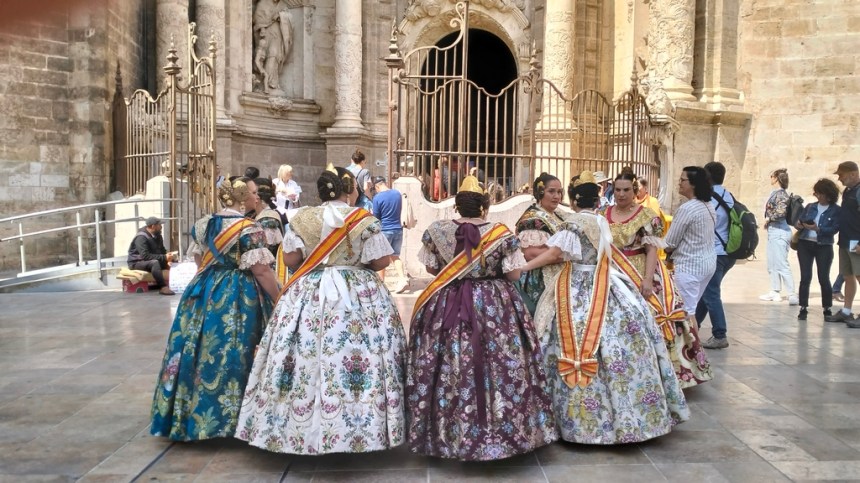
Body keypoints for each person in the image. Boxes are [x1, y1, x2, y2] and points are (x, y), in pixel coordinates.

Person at [235, 165, 406, 454]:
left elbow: (290, 259)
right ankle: (361, 429)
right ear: (347, 190)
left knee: (302, 357)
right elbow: (380, 262)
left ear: (318, 192)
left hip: (309, 293)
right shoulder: (362, 219)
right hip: (358, 295)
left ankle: (296, 429)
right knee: (363, 355)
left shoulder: (302, 218)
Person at [522, 171, 689, 444]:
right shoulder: (602, 221)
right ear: (597, 200)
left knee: (561, 337)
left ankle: (572, 420)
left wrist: (523, 266)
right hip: (606, 283)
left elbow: (555, 254)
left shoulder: (573, 222)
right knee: (617, 342)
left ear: (575, 200)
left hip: (575, 283)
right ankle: (628, 417)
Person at [406, 176, 557, 460]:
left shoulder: (436, 230)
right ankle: (503, 432)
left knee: (448, 363)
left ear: (457, 205)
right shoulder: (500, 233)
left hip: (448, 303)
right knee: (499, 363)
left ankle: (448, 433)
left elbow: (431, 268)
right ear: (485, 207)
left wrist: (459, 272)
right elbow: (513, 274)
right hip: (495, 306)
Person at [150, 177, 280, 441]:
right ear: (243, 198)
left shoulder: (203, 225)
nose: (256, 198)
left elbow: (200, 261)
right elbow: (261, 270)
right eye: (253, 194)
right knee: (238, 350)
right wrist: (279, 298)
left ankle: (190, 416)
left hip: (204, 289)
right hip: (240, 294)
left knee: (194, 348)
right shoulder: (249, 228)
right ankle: (237, 420)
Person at [601, 167, 711, 387]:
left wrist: (648, 279)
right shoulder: (603, 213)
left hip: (641, 271)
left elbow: (651, 250)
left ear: (634, 190)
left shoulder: (647, 216)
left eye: (626, 190)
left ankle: (666, 373)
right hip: (612, 273)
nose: (621, 194)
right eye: (618, 190)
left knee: (655, 319)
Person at [664, 166, 717, 339]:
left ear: (693, 184)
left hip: (689, 266)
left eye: (682, 180)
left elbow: (670, 242)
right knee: (689, 309)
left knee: (686, 312)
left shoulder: (688, 208)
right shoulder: (708, 205)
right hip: (706, 264)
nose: (679, 183)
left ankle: (694, 351)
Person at [696, 161, 737, 350]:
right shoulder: (728, 195)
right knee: (707, 291)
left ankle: (720, 334)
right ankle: (692, 327)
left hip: (715, 251)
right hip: (728, 252)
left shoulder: (709, 199)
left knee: (711, 293)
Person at [514, 173, 566, 316]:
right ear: (540, 192)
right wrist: (561, 256)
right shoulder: (532, 219)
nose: (556, 196)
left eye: (559, 192)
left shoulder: (558, 216)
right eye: (551, 191)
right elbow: (529, 253)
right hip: (538, 277)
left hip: (559, 275)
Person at [794, 178, 840, 321]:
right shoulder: (810, 207)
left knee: (823, 277)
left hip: (824, 246)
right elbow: (799, 222)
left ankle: (827, 307)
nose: (818, 196)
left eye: (821, 193)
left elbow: (834, 229)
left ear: (829, 194)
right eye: (816, 193)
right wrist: (800, 225)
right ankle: (803, 307)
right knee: (805, 276)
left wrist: (818, 229)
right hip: (805, 244)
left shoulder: (836, 210)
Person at [827, 161, 860, 325]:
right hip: (845, 240)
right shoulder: (848, 191)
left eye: (842, 175)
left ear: (853, 174)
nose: (839, 178)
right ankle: (846, 311)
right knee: (848, 276)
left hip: (856, 242)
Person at [759, 169, 799, 304]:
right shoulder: (774, 193)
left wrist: (768, 219)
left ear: (776, 178)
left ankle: (792, 293)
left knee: (781, 263)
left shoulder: (781, 195)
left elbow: (781, 212)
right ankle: (775, 291)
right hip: (773, 231)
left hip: (780, 231)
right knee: (772, 263)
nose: (770, 178)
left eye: (771, 176)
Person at [371, 175, 408, 292]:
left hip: (385, 230)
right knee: (395, 256)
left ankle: (381, 284)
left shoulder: (377, 198)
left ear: (377, 186)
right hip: (398, 229)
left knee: (382, 257)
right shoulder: (397, 193)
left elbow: (376, 217)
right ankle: (402, 279)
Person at [127, 216, 178, 296]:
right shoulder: (141, 237)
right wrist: (164, 257)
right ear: (153, 226)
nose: (161, 227)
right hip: (137, 262)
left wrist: (169, 257)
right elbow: (145, 256)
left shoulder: (158, 236)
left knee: (174, 261)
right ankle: (163, 287)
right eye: (159, 225)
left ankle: (177, 282)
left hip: (150, 260)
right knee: (155, 263)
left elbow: (162, 250)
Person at [252, 0, 292, 94]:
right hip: (266, 33)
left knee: (274, 55)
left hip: (278, 34)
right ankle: (265, 83)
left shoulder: (282, 5)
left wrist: (281, 16)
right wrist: (262, 28)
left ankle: (272, 83)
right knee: (266, 56)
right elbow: (258, 18)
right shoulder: (262, 3)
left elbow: (289, 18)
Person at [254, 177, 285, 260]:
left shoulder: (268, 218)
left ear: (258, 198)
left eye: (253, 192)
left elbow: (268, 251)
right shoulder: (256, 214)